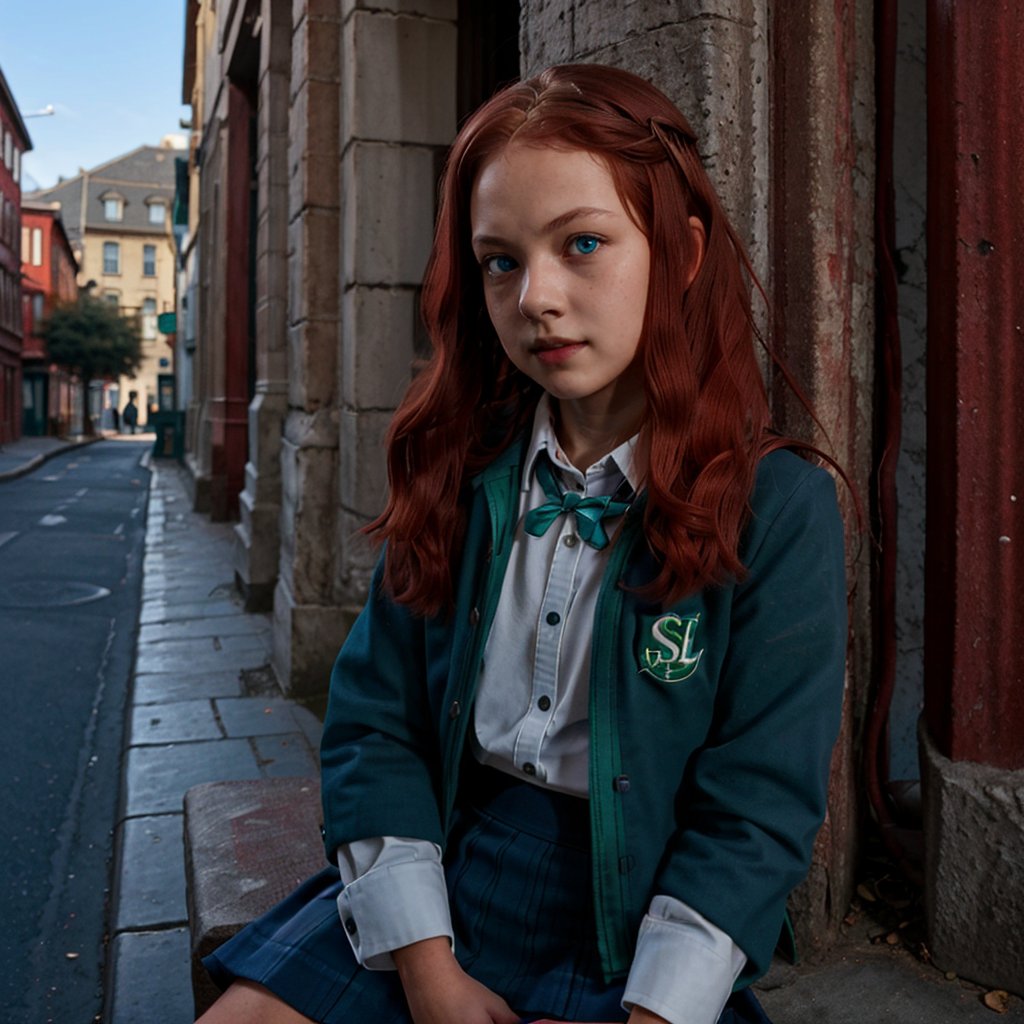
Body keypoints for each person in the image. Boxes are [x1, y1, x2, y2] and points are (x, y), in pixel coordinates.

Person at [196, 64, 848, 1024]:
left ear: (683, 250)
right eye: (500, 260)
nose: (536, 294)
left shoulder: (779, 505)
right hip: (438, 870)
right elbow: (375, 724)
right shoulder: (458, 468)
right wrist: (427, 968)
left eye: (582, 243)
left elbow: (756, 807)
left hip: (630, 922)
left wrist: (653, 1010)